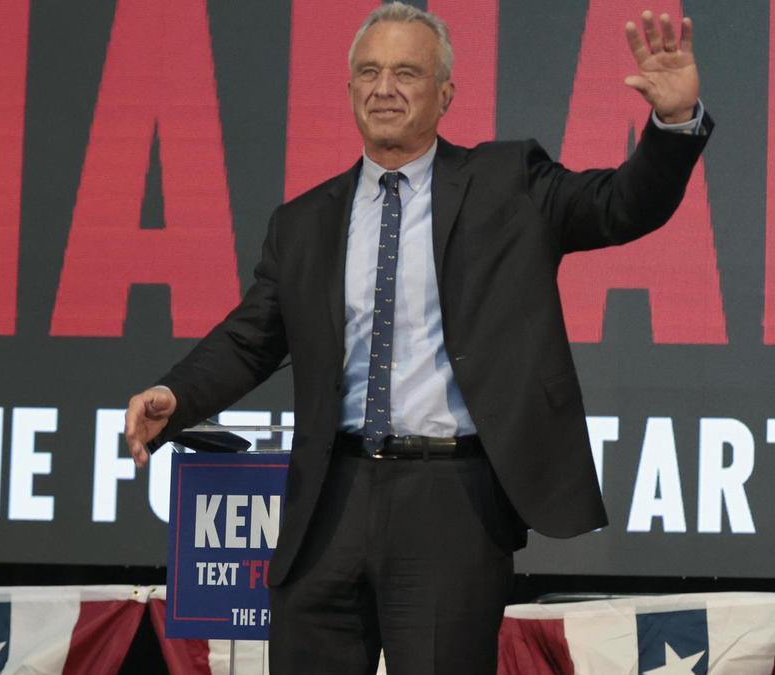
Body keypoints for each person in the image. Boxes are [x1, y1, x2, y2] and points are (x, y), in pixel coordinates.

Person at [125, 3, 709, 673]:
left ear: (445, 93)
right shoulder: (304, 221)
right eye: (368, 72)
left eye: (406, 72)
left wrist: (672, 125)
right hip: (326, 503)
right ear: (349, 90)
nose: (383, 88)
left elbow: (622, 204)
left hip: (451, 501)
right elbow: (252, 336)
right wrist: (177, 392)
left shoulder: (507, 183)